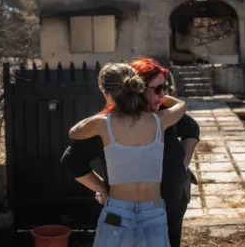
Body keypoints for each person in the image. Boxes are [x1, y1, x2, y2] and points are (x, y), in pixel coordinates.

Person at [62, 57, 200, 247]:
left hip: (119, 210)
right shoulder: (159, 121)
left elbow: (73, 132)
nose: (161, 95)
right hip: (154, 210)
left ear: (106, 93)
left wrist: (105, 116)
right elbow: (181, 106)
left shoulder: (102, 124)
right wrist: (165, 98)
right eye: (157, 89)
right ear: (137, 88)